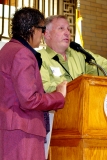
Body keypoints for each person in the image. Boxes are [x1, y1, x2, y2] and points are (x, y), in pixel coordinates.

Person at [0, 8, 67, 160]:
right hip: (23, 134)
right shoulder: (23, 53)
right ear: (32, 29)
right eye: (42, 29)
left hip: (11, 131)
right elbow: (29, 100)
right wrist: (58, 96)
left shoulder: (6, 51)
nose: (43, 34)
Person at [38, 15, 107, 93]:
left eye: (68, 29)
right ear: (47, 34)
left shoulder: (80, 54)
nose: (67, 33)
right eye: (61, 28)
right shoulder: (38, 58)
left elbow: (103, 66)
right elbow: (45, 89)